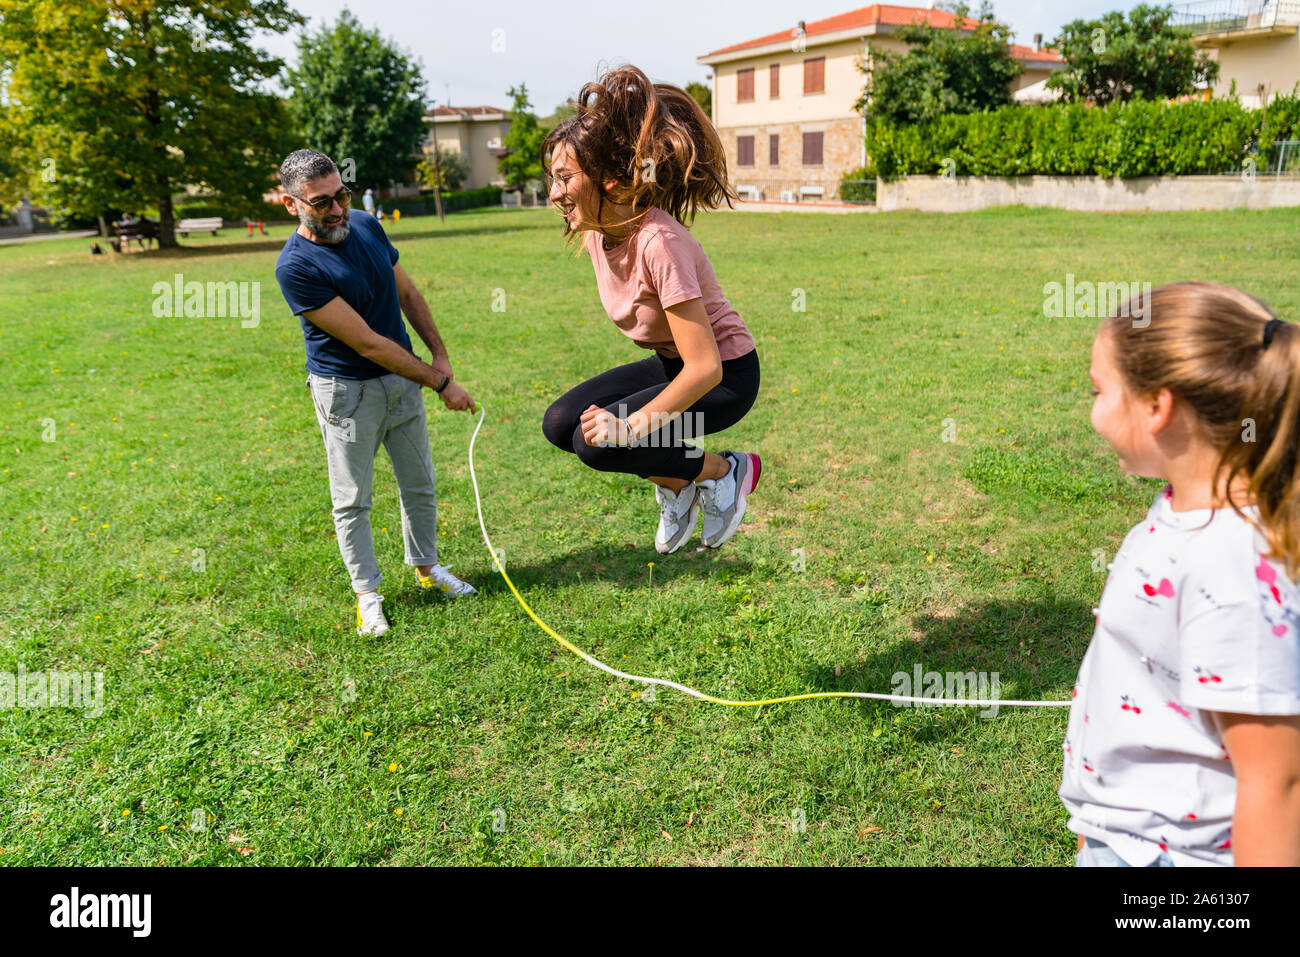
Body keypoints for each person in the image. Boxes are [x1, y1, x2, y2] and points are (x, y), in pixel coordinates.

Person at [1063, 282, 1300, 867]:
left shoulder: (1232, 572)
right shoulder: (1184, 509)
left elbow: (1276, 786)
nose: (1091, 409)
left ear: (1156, 407)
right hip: (1129, 839)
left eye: (1099, 389)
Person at [540, 65, 762, 555]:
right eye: (551, 179)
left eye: (564, 178)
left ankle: (725, 471)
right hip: (673, 364)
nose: (553, 193)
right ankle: (679, 483)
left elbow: (705, 367)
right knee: (561, 423)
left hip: (725, 378)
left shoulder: (659, 242)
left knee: (598, 441)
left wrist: (632, 427)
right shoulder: (599, 234)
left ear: (613, 181)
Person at [273, 149, 478, 637]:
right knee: (352, 499)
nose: (338, 210)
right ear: (291, 204)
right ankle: (368, 594)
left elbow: (407, 294)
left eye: (341, 195)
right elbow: (366, 341)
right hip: (346, 392)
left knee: (419, 482)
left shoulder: (366, 224)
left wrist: (440, 355)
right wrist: (441, 383)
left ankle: (428, 569)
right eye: (322, 203)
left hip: (402, 381)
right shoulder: (295, 268)